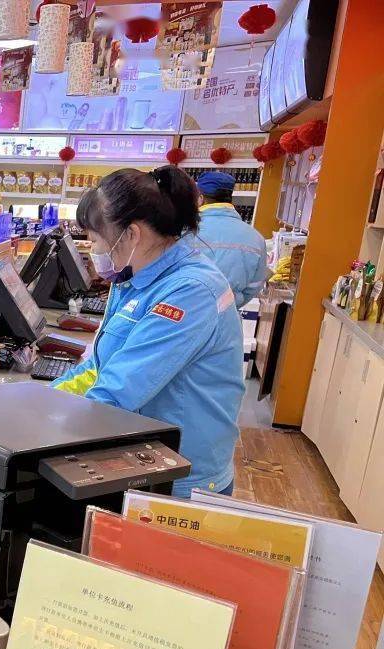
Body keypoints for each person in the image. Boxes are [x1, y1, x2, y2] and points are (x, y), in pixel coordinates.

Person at [52, 166, 244, 497]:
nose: (94, 251)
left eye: (96, 240)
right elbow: (101, 367)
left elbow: (117, 391)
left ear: (131, 235)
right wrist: (38, 400)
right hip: (147, 458)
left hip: (182, 481)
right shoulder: (134, 278)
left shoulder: (190, 290)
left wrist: (37, 427)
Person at [188, 171, 270, 308]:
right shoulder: (255, 237)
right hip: (228, 319)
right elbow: (255, 285)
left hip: (186, 313)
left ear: (200, 198)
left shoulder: (186, 231)